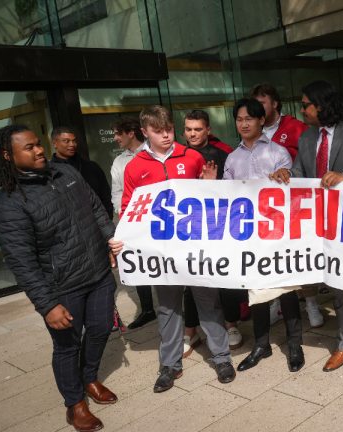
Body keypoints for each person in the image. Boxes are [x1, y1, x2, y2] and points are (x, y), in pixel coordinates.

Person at [0, 125, 120, 432]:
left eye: (38, 144)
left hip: (99, 273)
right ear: (8, 156)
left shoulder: (66, 173)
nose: (38, 151)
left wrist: (109, 239)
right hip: (63, 286)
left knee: (102, 328)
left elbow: (95, 207)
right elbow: (21, 263)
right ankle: (74, 403)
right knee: (67, 346)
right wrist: (47, 305)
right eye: (29, 148)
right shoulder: (10, 203)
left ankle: (89, 377)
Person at [270, 80, 343, 375]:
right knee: (339, 286)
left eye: (306, 103)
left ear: (321, 105)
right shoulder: (309, 138)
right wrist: (287, 173)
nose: (302, 109)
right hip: (326, 226)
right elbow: (301, 172)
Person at [119, 105, 235, 392]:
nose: (167, 136)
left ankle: (221, 357)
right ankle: (170, 364)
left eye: (169, 129)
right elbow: (129, 209)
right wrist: (123, 237)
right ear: (144, 132)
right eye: (159, 132)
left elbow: (210, 201)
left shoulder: (192, 156)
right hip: (161, 253)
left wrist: (210, 185)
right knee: (169, 307)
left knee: (208, 301)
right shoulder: (134, 167)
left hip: (195, 246)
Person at [222, 98, 305, 373]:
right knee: (255, 291)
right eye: (239, 119)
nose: (244, 124)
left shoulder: (279, 152)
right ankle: (261, 345)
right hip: (250, 236)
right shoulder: (232, 159)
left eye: (249, 118)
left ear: (260, 120)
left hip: (279, 233)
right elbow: (226, 197)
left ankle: (295, 344)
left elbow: (294, 186)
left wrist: (287, 173)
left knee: (287, 290)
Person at [250, 83, 324, 329]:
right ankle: (275, 304)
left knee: (300, 254)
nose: (257, 108)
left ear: (275, 104)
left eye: (262, 103)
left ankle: (311, 302)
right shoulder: (253, 131)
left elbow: (308, 158)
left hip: (296, 202)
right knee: (273, 256)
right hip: (267, 207)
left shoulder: (296, 127)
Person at [182, 109, 244, 353]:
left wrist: (212, 185)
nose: (193, 134)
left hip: (220, 226)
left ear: (208, 129)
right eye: (188, 129)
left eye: (198, 129)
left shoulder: (224, 154)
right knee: (190, 278)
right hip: (190, 229)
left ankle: (231, 324)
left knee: (224, 275)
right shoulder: (177, 156)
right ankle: (190, 331)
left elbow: (234, 193)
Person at [110, 117, 156, 330]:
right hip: (134, 220)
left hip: (158, 218)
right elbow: (117, 192)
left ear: (130, 133)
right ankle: (148, 308)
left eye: (118, 133)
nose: (116, 138)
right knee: (139, 262)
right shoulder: (119, 162)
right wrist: (125, 216)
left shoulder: (155, 152)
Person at [50, 126, 113, 216]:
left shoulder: (92, 167)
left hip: (101, 221)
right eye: (66, 141)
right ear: (55, 143)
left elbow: (106, 196)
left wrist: (107, 217)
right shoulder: (51, 172)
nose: (72, 144)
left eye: (74, 141)